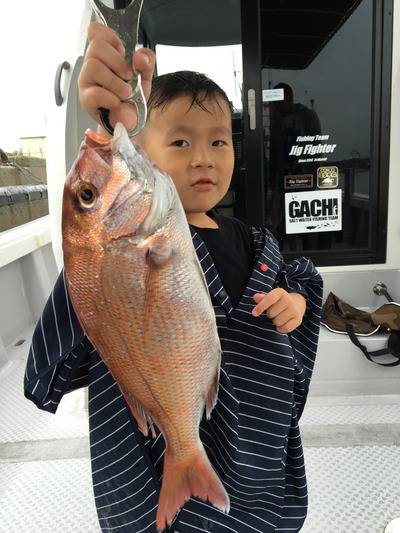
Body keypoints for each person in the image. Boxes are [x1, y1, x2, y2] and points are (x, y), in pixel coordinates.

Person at [24, 22, 323, 533]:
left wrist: (293, 301)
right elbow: (87, 314)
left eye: (220, 142)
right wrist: (107, 127)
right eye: (180, 141)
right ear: (141, 151)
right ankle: (184, 462)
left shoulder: (257, 242)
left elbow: (301, 280)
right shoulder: (125, 247)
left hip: (256, 470)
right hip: (155, 480)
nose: (204, 157)